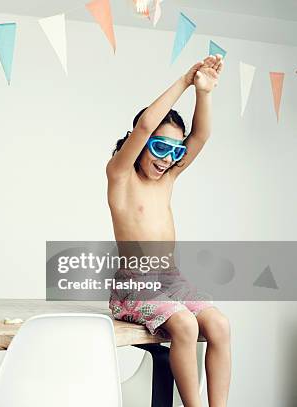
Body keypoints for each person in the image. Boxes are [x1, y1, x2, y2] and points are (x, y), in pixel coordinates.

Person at [106, 55, 231, 407]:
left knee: (219, 324)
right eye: (160, 147)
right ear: (138, 143)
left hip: (171, 280)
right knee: (186, 326)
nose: (166, 159)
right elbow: (146, 125)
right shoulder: (120, 177)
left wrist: (203, 92)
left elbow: (201, 135)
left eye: (175, 151)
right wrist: (185, 80)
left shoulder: (169, 176)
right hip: (134, 285)